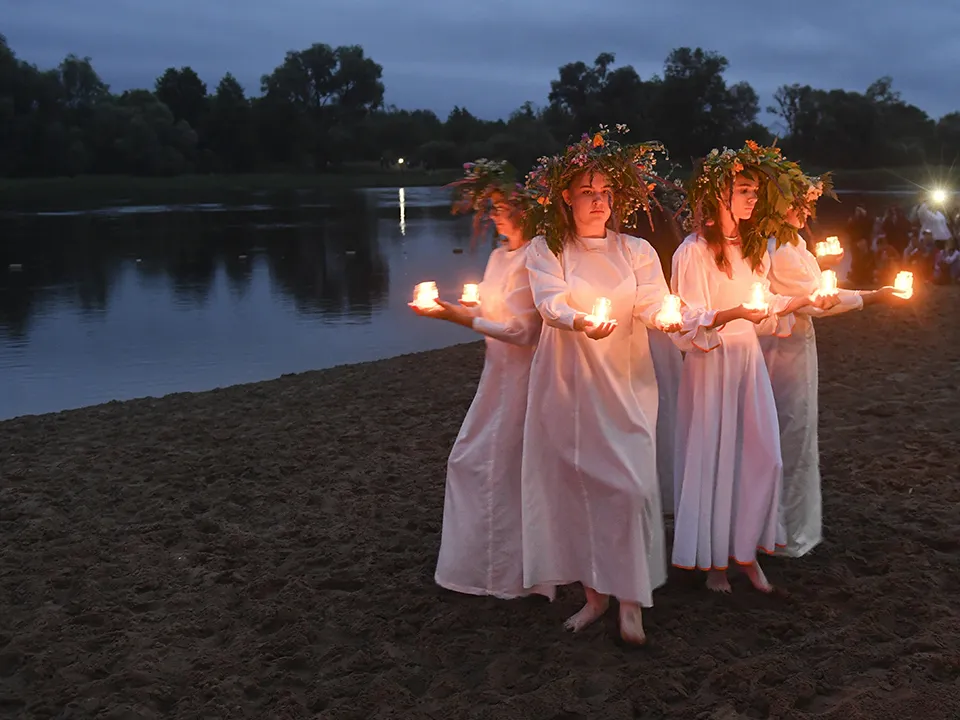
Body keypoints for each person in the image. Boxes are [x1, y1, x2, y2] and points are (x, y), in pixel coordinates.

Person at [521, 126, 681, 644]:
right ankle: (596, 597)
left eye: (606, 192)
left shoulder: (635, 250)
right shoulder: (548, 250)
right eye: (587, 191)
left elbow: (654, 303)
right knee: (580, 489)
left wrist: (676, 319)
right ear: (565, 196)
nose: (598, 201)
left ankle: (631, 600)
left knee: (632, 488)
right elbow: (549, 303)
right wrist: (580, 320)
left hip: (627, 384)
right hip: (568, 387)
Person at [669, 142, 839, 594]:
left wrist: (806, 299)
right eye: (743, 190)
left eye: (752, 191)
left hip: (748, 362)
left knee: (763, 455)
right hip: (712, 363)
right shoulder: (692, 252)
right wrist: (732, 314)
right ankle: (716, 565)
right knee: (716, 457)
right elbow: (688, 318)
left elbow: (768, 302)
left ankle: (748, 550)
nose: (751, 199)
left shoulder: (751, 248)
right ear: (718, 196)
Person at [410, 159, 551, 600]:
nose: (492, 215)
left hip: (524, 380)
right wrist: (454, 308)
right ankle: (488, 567)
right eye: (489, 207)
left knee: (500, 469)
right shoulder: (496, 256)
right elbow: (492, 315)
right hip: (495, 376)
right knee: (474, 463)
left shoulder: (538, 257)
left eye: (499, 207)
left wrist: (455, 317)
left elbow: (524, 331)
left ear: (525, 209)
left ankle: (514, 575)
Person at [757, 170, 906, 558]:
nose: (806, 211)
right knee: (793, 432)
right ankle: (785, 534)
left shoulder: (788, 244)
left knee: (786, 433)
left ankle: (775, 528)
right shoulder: (782, 249)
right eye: (799, 204)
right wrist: (874, 296)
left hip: (783, 345)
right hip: (784, 349)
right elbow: (817, 302)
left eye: (808, 203)